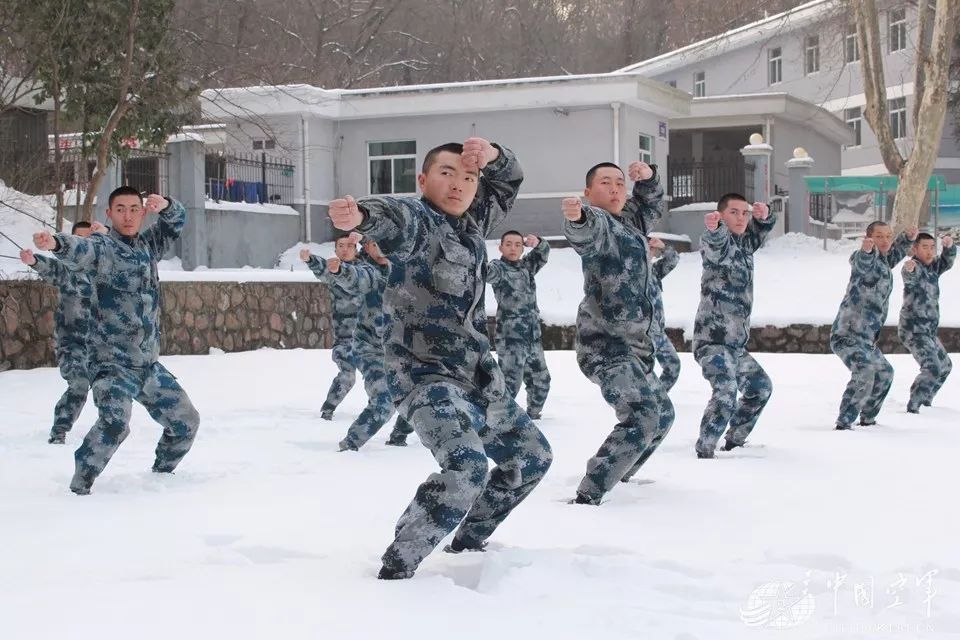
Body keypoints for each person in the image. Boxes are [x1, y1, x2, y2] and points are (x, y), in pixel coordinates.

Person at [328, 138, 552, 580]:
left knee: (531, 458)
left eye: (468, 177)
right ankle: (397, 567)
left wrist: (492, 156)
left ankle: (468, 545)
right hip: (424, 374)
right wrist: (359, 217)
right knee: (466, 465)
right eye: (447, 174)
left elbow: (508, 180)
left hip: (478, 375)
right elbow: (387, 217)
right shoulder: (416, 221)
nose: (459, 184)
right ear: (423, 179)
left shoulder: (473, 220)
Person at [32, 187, 200, 495]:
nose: (128, 215)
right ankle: (79, 486)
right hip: (112, 365)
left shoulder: (149, 245)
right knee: (114, 423)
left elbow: (176, 222)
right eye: (120, 209)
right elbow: (80, 250)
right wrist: (55, 243)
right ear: (108, 214)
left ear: (142, 212)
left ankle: (161, 474)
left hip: (147, 364)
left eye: (134, 208)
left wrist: (166, 205)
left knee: (186, 422)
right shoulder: (103, 248)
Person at [561, 160, 673, 505]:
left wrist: (649, 177)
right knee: (642, 415)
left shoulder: (631, 221)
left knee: (663, 414)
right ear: (588, 192)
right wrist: (576, 217)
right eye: (605, 182)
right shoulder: (600, 223)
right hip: (605, 346)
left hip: (637, 348)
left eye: (620, 183)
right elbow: (583, 232)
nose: (614, 189)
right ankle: (589, 495)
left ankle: (621, 474)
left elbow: (651, 202)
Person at [301, 239, 412, 450]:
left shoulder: (404, 268)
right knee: (383, 401)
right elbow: (355, 277)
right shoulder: (369, 271)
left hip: (402, 350)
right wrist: (337, 270)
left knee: (419, 393)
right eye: (375, 243)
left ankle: (399, 436)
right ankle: (349, 445)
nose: (382, 247)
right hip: (370, 349)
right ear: (368, 247)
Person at [693, 194, 775, 458]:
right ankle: (704, 452)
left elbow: (757, 233)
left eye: (745, 213)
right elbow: (714, 245)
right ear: (721, 215)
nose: (740, 218)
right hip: (712, 341)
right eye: (733, 212)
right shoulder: (715, 242)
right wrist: (714, 229)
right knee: (726, 391)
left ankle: (734, 440)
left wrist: (764, 217)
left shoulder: (744, 245)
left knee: (760, 388)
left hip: (735, 345)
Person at [20, 221, 103, 443]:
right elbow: (51, 268)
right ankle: (59, 432)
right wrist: (34, 261)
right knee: (78, 385)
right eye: (78, 239)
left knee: (112, 390)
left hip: (101, 347)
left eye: (88, 240)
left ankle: (109, 433)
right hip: (72, 345)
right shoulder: (68, 271)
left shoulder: (104, 270)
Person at [831, 221, 916, 430]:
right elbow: (861, 262)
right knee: (865, 371)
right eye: (879, 236)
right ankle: (844, 423)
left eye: (888, 236)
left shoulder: (885, 262)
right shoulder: (864, 258)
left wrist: (909, 238)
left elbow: (895, 253)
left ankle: (868, 419)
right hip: (847, 335)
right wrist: (866, 251)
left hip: (866, 340)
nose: (885, 240)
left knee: (885, 373)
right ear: (869, 238)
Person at [486, 230, 551, 419]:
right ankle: (497, 420)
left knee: (541, 380)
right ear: (500, 247)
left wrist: (538, 241)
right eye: (508, 244)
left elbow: (543, 252)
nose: (513, 248)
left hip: (533, 336)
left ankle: (533, 417)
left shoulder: (527, 267)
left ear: (522, 248)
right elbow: (487, 274)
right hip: (510, 339)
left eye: (517, 244)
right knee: (509, 384)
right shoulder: (498, 267)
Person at [898, 232, 955, 413]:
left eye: (932, 247)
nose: (930, 251)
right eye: (925, 247)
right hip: (913, 330)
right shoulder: (914, 266)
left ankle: (925, 401)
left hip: (928, 331)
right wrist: (909, 270)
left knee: (945, 366)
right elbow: (909, 277)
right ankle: (913, 407)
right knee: (932, 367)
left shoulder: (933, 267)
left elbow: (947, 261)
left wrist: (948, 247)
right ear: (915, 249)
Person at [313, 234, 363, 421]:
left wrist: (363, 235)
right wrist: (309, 259)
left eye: (349, 245)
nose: (344, 249)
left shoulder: (367, 269)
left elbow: (380, 252)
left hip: (373, 338)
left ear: (356, 249)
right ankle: (328, 409)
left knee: (385, 377)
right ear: (335, 250)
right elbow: (320, 267)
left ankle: (385, 412)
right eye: (340, 245)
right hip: (345, 338)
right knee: (348, 374)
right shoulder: (333, 270)